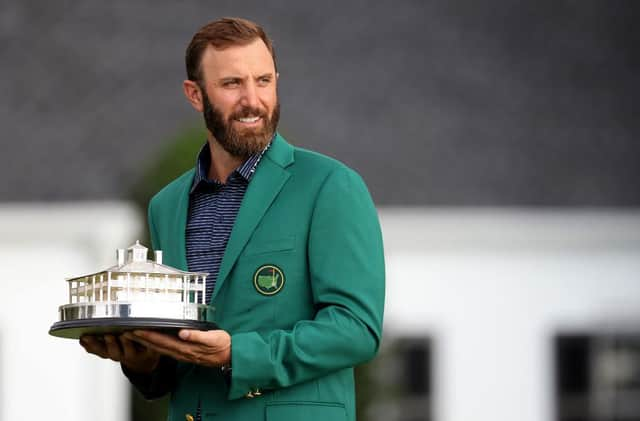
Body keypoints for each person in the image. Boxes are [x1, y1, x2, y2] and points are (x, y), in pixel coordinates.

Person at [80, 17, 385, 421]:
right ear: (195, 94)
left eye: (263, 80)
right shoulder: (166, 204)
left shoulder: (330, 186)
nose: (252, 100)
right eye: (231, 84)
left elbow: (356, 329)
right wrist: (143, 361)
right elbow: (181, 348)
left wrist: (237, 354)